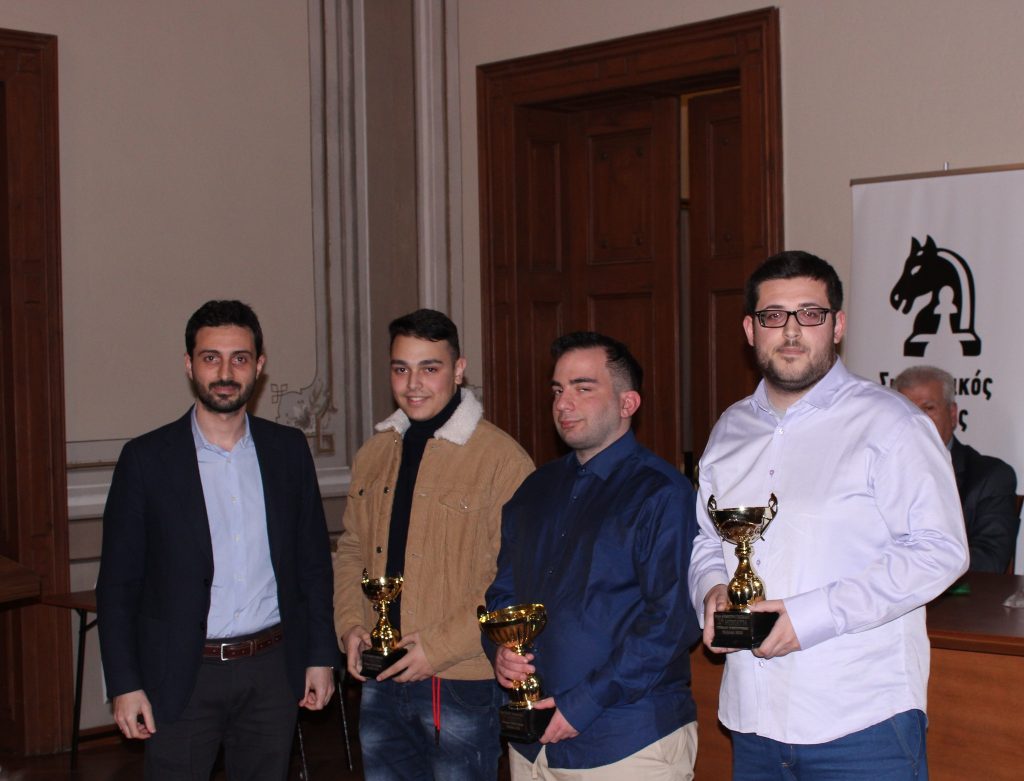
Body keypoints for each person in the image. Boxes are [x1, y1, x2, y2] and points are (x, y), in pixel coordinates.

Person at [688, 251, 969, 780]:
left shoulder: (892, 423)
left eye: (810, 314)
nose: (792, 331)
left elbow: (940, 550)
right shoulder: (729, 429)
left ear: (837, 326)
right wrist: (712, 589)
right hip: (753, 721)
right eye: (774, 315)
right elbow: (707, 538)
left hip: (861, 724)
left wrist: (809, 617)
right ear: (750, 330)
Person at [96, 300, 338, 780]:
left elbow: (313, 565)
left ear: (259, 366)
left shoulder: (288, 451)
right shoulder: (146, 460)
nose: (225, 373)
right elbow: (118, 586)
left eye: (239, 358)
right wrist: (124, 684)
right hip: (181, 675)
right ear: (189, 365)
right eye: (211, 358)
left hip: (272, 670)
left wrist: (320, 656)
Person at [485, 331, 700, 780]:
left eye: (583, 388)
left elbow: (671, 621)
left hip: (625, 741)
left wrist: (583, 704)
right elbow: (504, 592)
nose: (563, 403)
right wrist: (501, 650)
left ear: (627, 403)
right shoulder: (534, 490)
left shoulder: (662, 493)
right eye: (557, 390)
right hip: (530, 743)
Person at [333, 308, 534, 780]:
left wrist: (437, 648)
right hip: (380, 673)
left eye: (430, 368)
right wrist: (350, 625)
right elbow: (352, 549)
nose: (413, 384)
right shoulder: (374, 453)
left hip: (459, 677)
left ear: (459, 369)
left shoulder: (502, 460)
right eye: (400, 369)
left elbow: (513, 580)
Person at [894, 365, 1019, 573]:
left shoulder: (990, 476)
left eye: (928, 408)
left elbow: (990, 559)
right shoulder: (876, 471)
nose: (918, 419)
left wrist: (911, 568)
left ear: (952, 414)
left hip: (950, 592)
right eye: (908, 410)